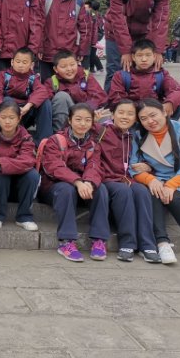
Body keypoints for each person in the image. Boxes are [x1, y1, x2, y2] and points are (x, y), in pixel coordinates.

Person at [131, 98, 180, 268]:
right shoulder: (139, 136)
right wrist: (150, 179)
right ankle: (162, 244)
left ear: (164, 112)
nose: (150, 121)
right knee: (152, 192)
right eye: (144, 118)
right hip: (157, 181)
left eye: (153, 115)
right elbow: (133, 167)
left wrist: (170, 185)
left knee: (173, 197)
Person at [38, 103, 108, 262]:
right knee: (66, 189)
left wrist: (89, 182)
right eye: (78, 119)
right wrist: (77, 182)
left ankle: (99, 240)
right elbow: (54, 167)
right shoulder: (56, 140)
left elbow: (95, 166)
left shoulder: (93, 144)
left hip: (82, 187)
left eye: (87, 120)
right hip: (54, 188)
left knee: (101, 189)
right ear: (69, 120)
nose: (83, 124)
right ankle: (66, 241)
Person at [95, 99, 159, 262]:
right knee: (123, 191)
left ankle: (147, 244)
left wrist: (148, 167)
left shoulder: (135, 136)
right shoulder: (101, 131)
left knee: (141, 191)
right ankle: (127, 243)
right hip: (107, 178)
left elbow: (149, 159)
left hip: (129, 178)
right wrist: (93, 122)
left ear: (135, 118)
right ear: (112, 114)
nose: (125, 117)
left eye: (130, 114)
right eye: (121, 112)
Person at [104, 0, 170, 90]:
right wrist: (126, 51)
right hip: (115, 33)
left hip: (142, 33)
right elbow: (117, 20)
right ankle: (110, 101)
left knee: (143, 70)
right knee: (116, 70)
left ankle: (139, 101)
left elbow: (160, 21)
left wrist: (157, 50)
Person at [0, 99, 41, 232]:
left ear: (19, 118)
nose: (7, 121)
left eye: (12, 118)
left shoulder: (26, 137)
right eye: (3, 117)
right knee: (0, 173)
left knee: (32, 175)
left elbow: (27, 161)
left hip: (18, 188)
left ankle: (24, 216)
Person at [0, 47, 53, 143]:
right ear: (12, 62)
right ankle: (14, 138)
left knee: (46, 102)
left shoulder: (33, 78)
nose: (21, 65)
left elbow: (42, 91)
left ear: (32, 65)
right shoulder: (3, 75)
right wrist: (9, 109)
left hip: (25, 113)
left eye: (24, 62)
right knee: (8, 101)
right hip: (7, 115)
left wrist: (27, 106)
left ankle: (43, 142)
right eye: (18, 61)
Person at [108, 39, 180, 120]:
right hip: (132, 114)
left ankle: (168, 126)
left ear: (154, 56)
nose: (144, 59)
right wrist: (139, 110)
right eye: (139, 55)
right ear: (133, 57)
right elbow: (115, 98)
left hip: (154, 112)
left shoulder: (161, 74)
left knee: (178, 103)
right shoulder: (121, 75)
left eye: (148, 55)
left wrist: (170, 102)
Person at [37, 0, 91, 80]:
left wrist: (82, 50)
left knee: (69, 87)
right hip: (48, 53)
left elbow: (85, 28)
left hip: (69, 54)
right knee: (47, 86)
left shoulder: (78, 1)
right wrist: (39, 47)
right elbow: (38, 25)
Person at [44, 50, 108, 132]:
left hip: (88, 113)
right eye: (63, 66)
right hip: (67, 118)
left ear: (77, 63)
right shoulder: (51, 82)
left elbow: (99, 97)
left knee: (105, 115)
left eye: (72, 65)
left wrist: (86, 110)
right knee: (61, 96)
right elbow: (46, 101)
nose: (69, 69)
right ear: (55, 69)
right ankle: (61, 134)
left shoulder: (86, 76)